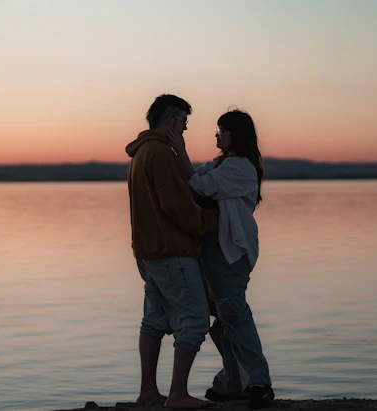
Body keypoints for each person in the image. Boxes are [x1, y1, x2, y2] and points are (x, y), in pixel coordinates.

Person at [168, 109, 274, 409]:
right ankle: (232, 382)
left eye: (221, 130)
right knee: (223, 316)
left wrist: (181, 150)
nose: (217, 134)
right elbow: (193, 180)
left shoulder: (241, 167)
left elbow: (200, 187)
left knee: (234, 313)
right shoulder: (220, 163)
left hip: (229, 250)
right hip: (212, 249)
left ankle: (258, 381)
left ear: (235, 134)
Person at [126, 94, 215, 410]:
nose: (185, 129)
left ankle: (148, 393)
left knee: (154, 320)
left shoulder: (141, 153)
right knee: (194, 319)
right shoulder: (161, 154)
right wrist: (208, 223)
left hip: (148, 253)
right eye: (184, 123)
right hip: (171, 250)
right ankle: (177, 395)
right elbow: (176, 205)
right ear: (171, 121)